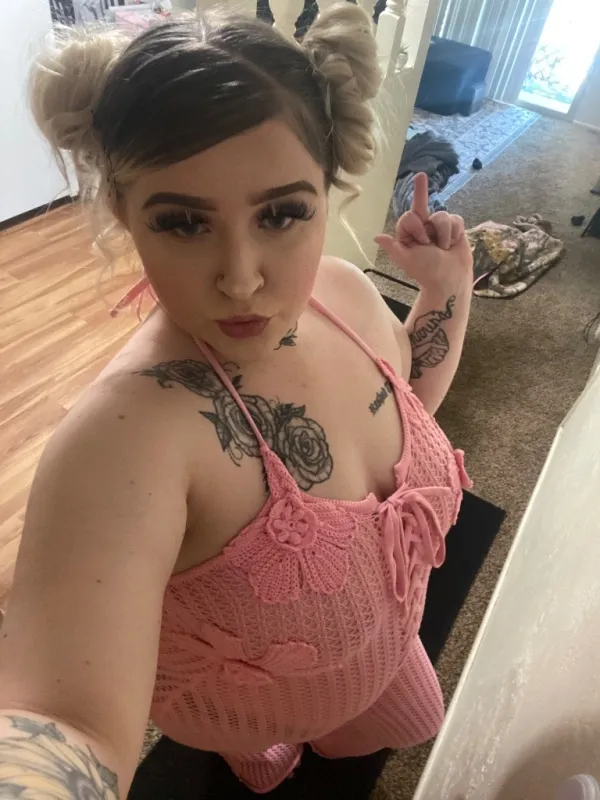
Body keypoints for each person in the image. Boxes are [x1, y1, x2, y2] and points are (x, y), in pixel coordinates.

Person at [0, 5, 473, 796]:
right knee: (261, 766)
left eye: (282, 213)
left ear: (326, 188)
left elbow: (410, 403)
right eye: (184, 223)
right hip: (234, 709)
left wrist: (447, 292)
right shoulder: (125, 441)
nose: (242, 278)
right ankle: (257, 750)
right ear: (124, 213)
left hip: (385, 650)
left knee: (415, 719)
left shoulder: (346, 296)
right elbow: (64, 714)